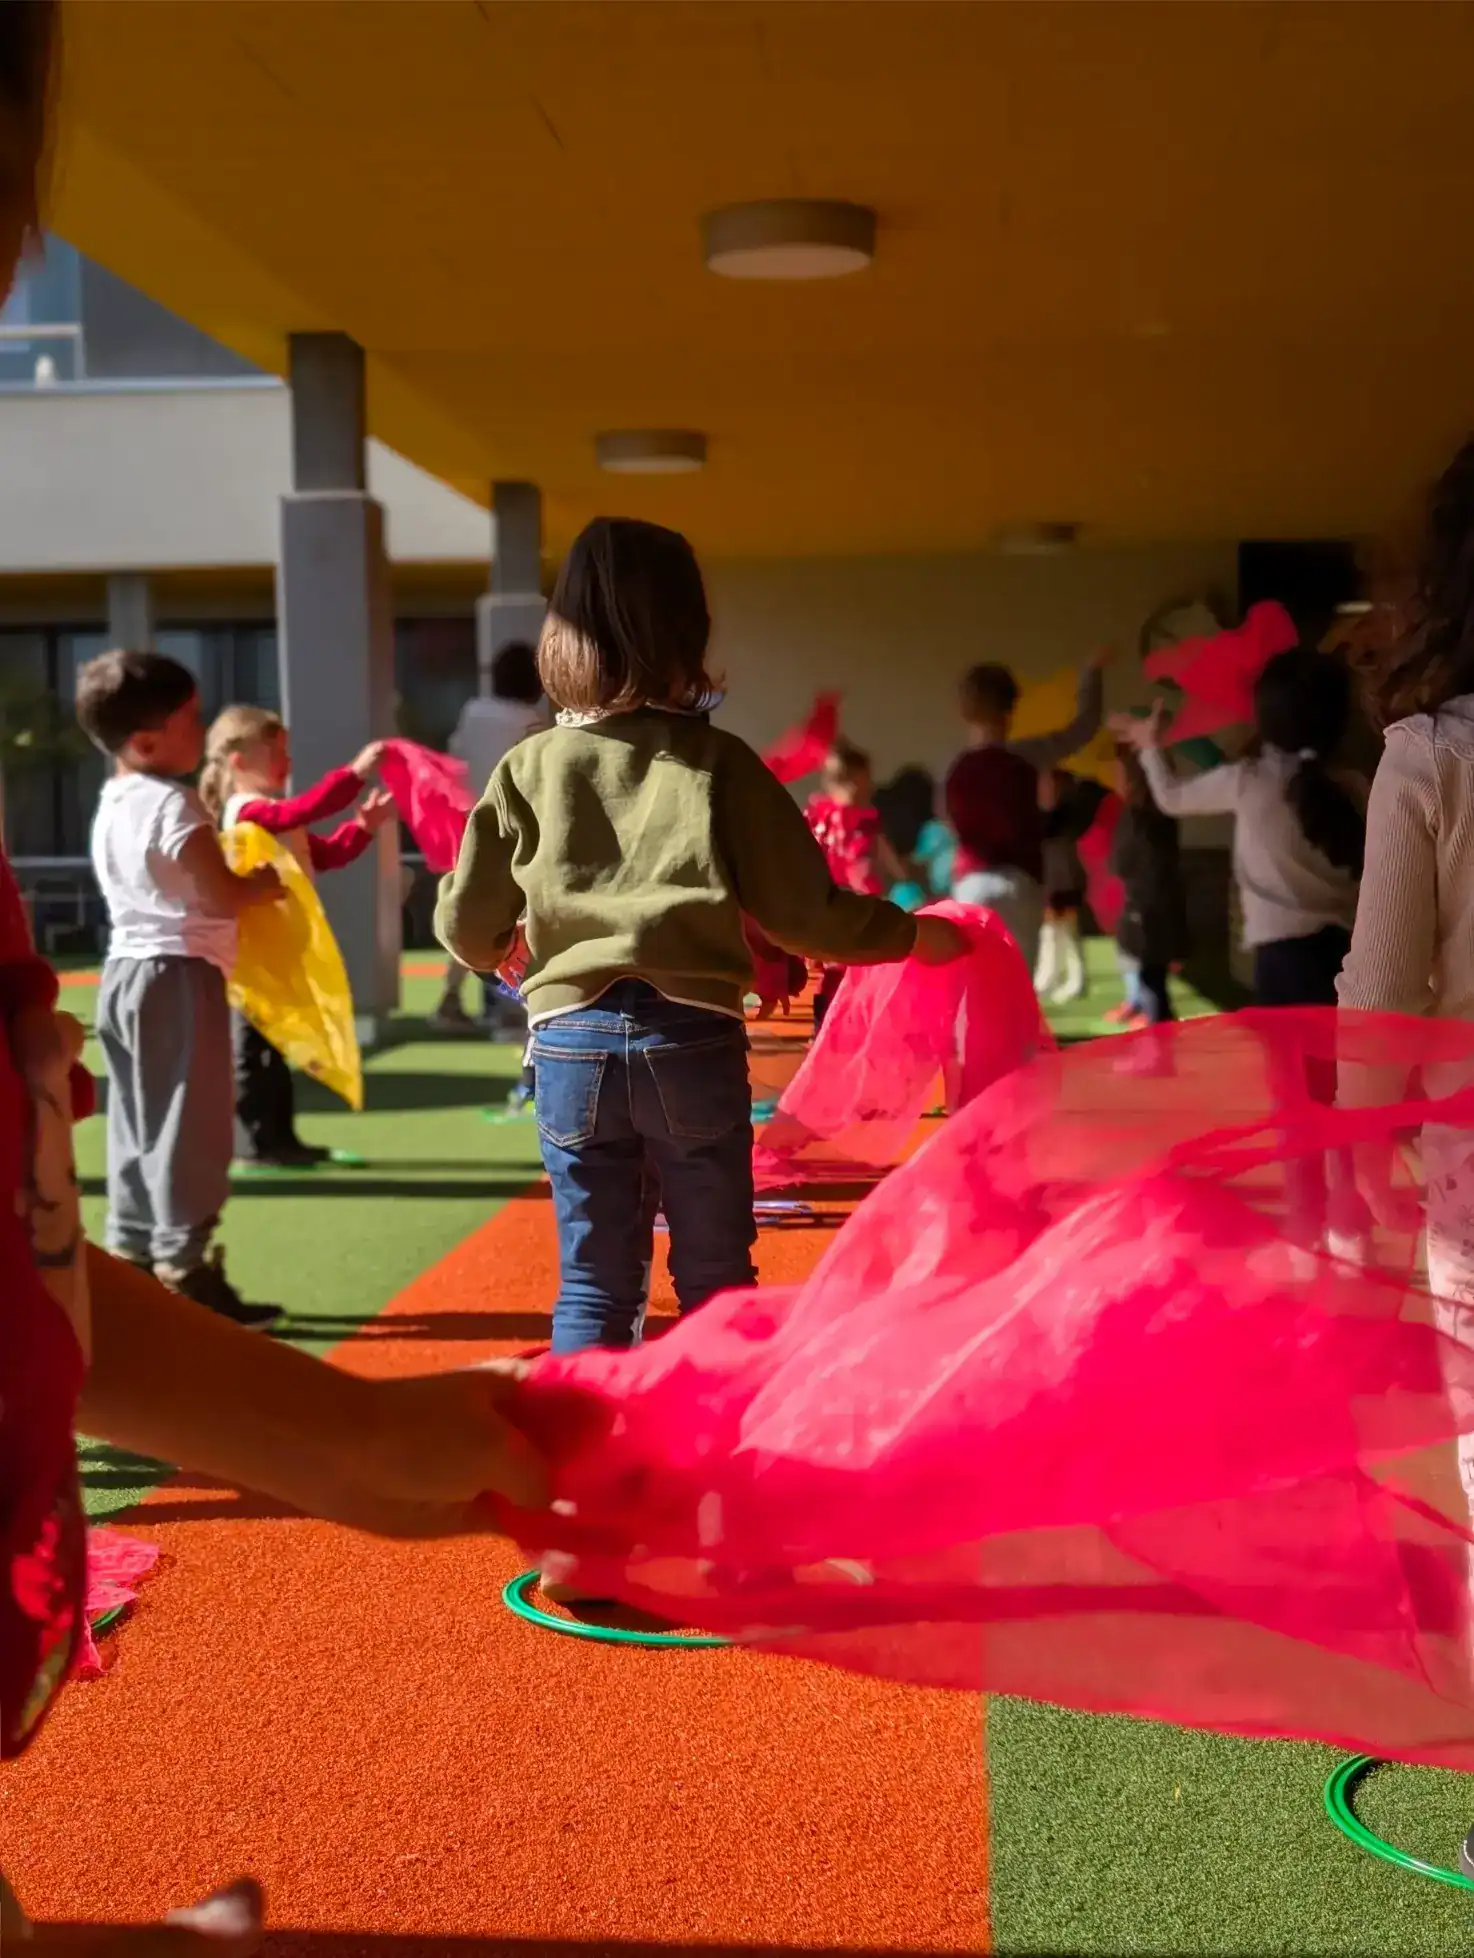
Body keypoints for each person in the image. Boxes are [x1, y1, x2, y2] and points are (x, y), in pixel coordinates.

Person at [0, 12, 544, 1947]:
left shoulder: (139, 814)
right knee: (175, 1136)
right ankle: (197, 1239)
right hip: (158, 985)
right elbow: (232, 863)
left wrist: (351, 1436)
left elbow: (24, 1250)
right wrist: (301, 817)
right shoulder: (155, 815)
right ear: (153, 725)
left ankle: (191, 1246)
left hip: (142, 1039)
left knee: (156, 1152)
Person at [436, 515, 966, 1357]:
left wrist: (494, 946)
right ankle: (722, 1452)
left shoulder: (525, 768)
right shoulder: (719, 763)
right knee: (717, 1276)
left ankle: (593, 1459)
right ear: (688, 632)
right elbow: (805, 913)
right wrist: (912, 938)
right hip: (691, 1039)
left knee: (593, 1279)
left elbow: (466, 922)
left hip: (569, 1045)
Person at [79, 651, 289, 1327]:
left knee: (138, 1122)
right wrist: (262, 884)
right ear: (146, 741)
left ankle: (134, 1254)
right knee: (192, 1125)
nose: (200, 731)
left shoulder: (114, 797)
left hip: (124, 975)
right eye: (190, 719)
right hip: (181, 976)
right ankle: (187, 1268)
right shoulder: (176, 806)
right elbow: (221, 896)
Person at [198, 706, 395, 1168]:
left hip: (277, 951)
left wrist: (363, 828)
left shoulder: (276, 815)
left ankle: (280, 1137)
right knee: (255, 1049)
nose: (285, 760)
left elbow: (323, 856)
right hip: (254, 954)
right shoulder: (248, 811)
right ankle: (257, 1141)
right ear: (239, 762)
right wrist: (355, 774)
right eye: (275, 752)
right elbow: (304, 809)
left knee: (273, 1048)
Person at [1113, 647, 1365, 1008]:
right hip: (1349, 949)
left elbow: (1171, 797)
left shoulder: (1249, 780)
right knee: (1333, 1059)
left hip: (1281, 958)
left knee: (1288, 1061)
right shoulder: (1353, 785)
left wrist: (1150, 746)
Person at [945, 652, 1109, 973]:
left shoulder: (955, 770)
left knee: (973, 988)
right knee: (1016, 991)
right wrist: (1092, 674)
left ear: (964, 712)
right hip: (1019, 883)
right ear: (1010, 709)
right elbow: (1083, 728)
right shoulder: (1028, 755)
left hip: (971, 884)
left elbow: (949, 821)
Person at [433, 642, 546, 1033]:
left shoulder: (473, 712)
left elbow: (455, 755)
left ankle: (451, 998)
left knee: (466, 911)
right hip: (513, 829)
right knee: (515, 916)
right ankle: (508, 1005)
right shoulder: (531, 721)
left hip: (467, 823)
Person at [804, 739, 909, 1030]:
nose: (870, 787)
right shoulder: (854, 817)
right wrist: (898, 875)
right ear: (851, 780)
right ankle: (839, 1022)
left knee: (842, 966)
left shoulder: (823, 815)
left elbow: (879, 848)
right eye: (866, 780)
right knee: (852, 963)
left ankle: (830, 1023)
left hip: (834, 900)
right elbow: (867, 856)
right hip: (848, 899)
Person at [1107, 744, 1188, 1026]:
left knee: (1151, 982)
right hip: (1159, 909)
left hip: (1145, 910)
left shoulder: (1137, 817)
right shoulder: (1161, 814)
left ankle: (1158, 1045)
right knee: (1154, 981)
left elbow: (1124, 863)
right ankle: (1158, 1030)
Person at [1035, 767, 1106, 1004]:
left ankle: (1076, 980)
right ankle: (1049, 977)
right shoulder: (1047, 817)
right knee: (1050, 932)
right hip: (1051, 880)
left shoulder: (1066, 817)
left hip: (1064, 881)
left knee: (1067, 932)